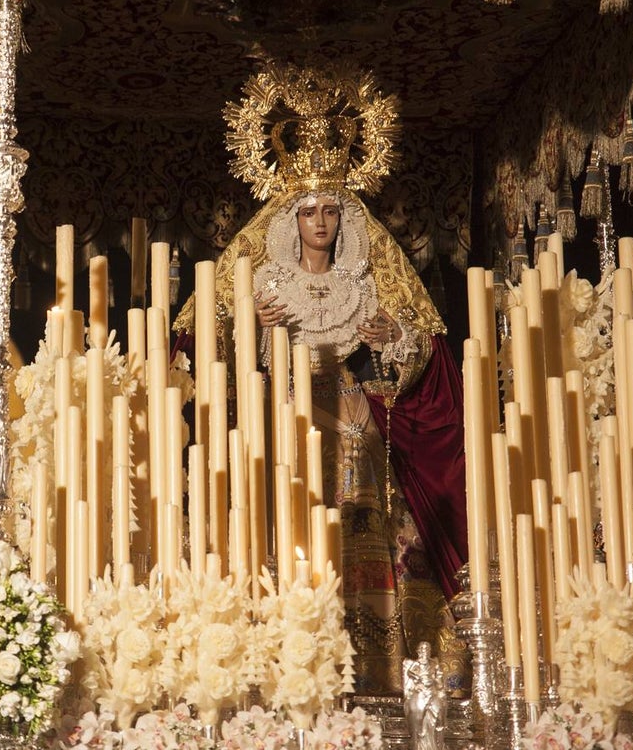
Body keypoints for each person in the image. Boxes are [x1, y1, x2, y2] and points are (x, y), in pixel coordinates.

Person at [175, 62, 468, 696]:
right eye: (307, 212)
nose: (319, 223)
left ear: (343, 220)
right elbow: (211, 351)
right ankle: (287, 646)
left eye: (330, 213)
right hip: (287, 415)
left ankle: (379, 664)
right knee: (285, 512)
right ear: (292, 220)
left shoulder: (365, 281)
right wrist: (252, 325)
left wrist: (394, 342)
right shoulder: (265, 284)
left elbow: (415, 358)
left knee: (369, 511)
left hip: (356, 419)